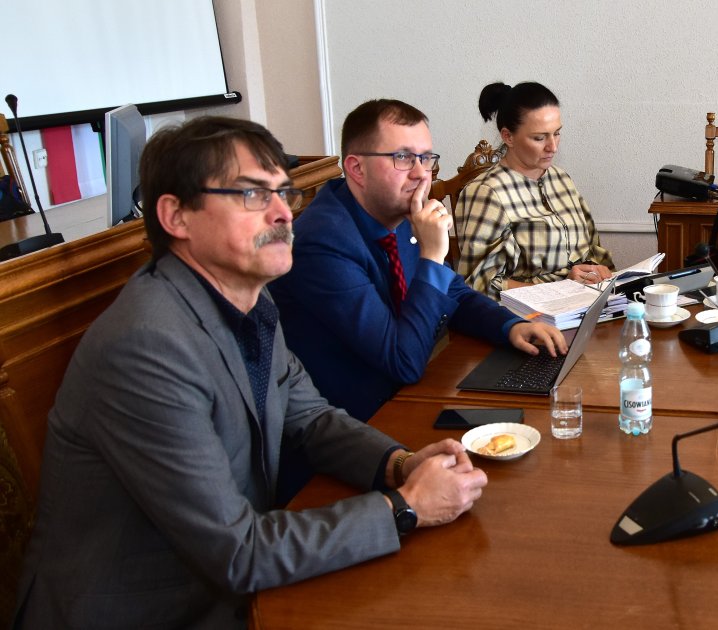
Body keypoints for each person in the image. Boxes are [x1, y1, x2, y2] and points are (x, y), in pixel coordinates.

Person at [13, 116, 488, 628]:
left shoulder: (250, 304)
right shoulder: (145, 346)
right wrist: (406, 507)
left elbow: (312, 419)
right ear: (176, 215)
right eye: (254, 195)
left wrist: (401, 464)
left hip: (229, 585)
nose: (285, 213)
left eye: (284, 193)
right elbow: (237, 552)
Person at [268, 99, 566, 423]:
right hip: (355, 424)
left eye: (425, 158)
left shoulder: (396, 213)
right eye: (402, 158)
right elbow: (403, 362)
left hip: (408, 396)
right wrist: (433, 256)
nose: (421, 173)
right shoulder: (322, 243)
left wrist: (511, 326)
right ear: (356, 168)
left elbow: (454, 293)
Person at [457, 81, 615, 299]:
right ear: (508, 136)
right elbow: (478, 285)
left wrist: (598, 270)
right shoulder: (487, 193)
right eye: (539, 138)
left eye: (557, 133)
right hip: (527, 319)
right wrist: (562, 286)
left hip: (583, 302)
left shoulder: (561, 179)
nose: (553, 146)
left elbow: (593, 250)